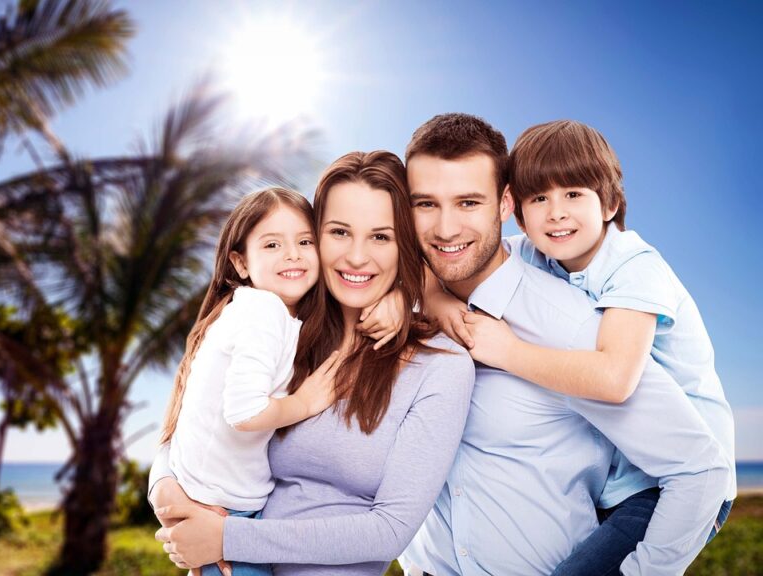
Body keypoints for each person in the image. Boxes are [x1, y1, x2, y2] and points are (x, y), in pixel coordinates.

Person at [395, 113, 731, 575]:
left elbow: (620, 384)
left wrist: (509, 352)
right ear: (520, 210)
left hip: (657, 485)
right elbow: (434, 257)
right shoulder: (528, 255)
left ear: (501, 204)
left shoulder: (617, 284)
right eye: (425, 204)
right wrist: (434, 299)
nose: (446, 228)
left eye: (468, 202)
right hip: (614, 486)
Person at [150, 151, 476, 575]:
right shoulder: (285, 331)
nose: (356, 257)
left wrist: (227, 537)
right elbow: (193, 423)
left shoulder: (441, 367)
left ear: (405, 246)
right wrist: (166, 491)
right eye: (339, 232)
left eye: (381, 237)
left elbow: (390, 530)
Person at [158, 187, 341, 576]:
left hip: (223, 504)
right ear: (240, 263)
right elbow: (244, 411)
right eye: (272, 244)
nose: (292, 254)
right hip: (223, 509)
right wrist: (304, 403)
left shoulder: (262, 313)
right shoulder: (262, 311)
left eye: (305, 241)